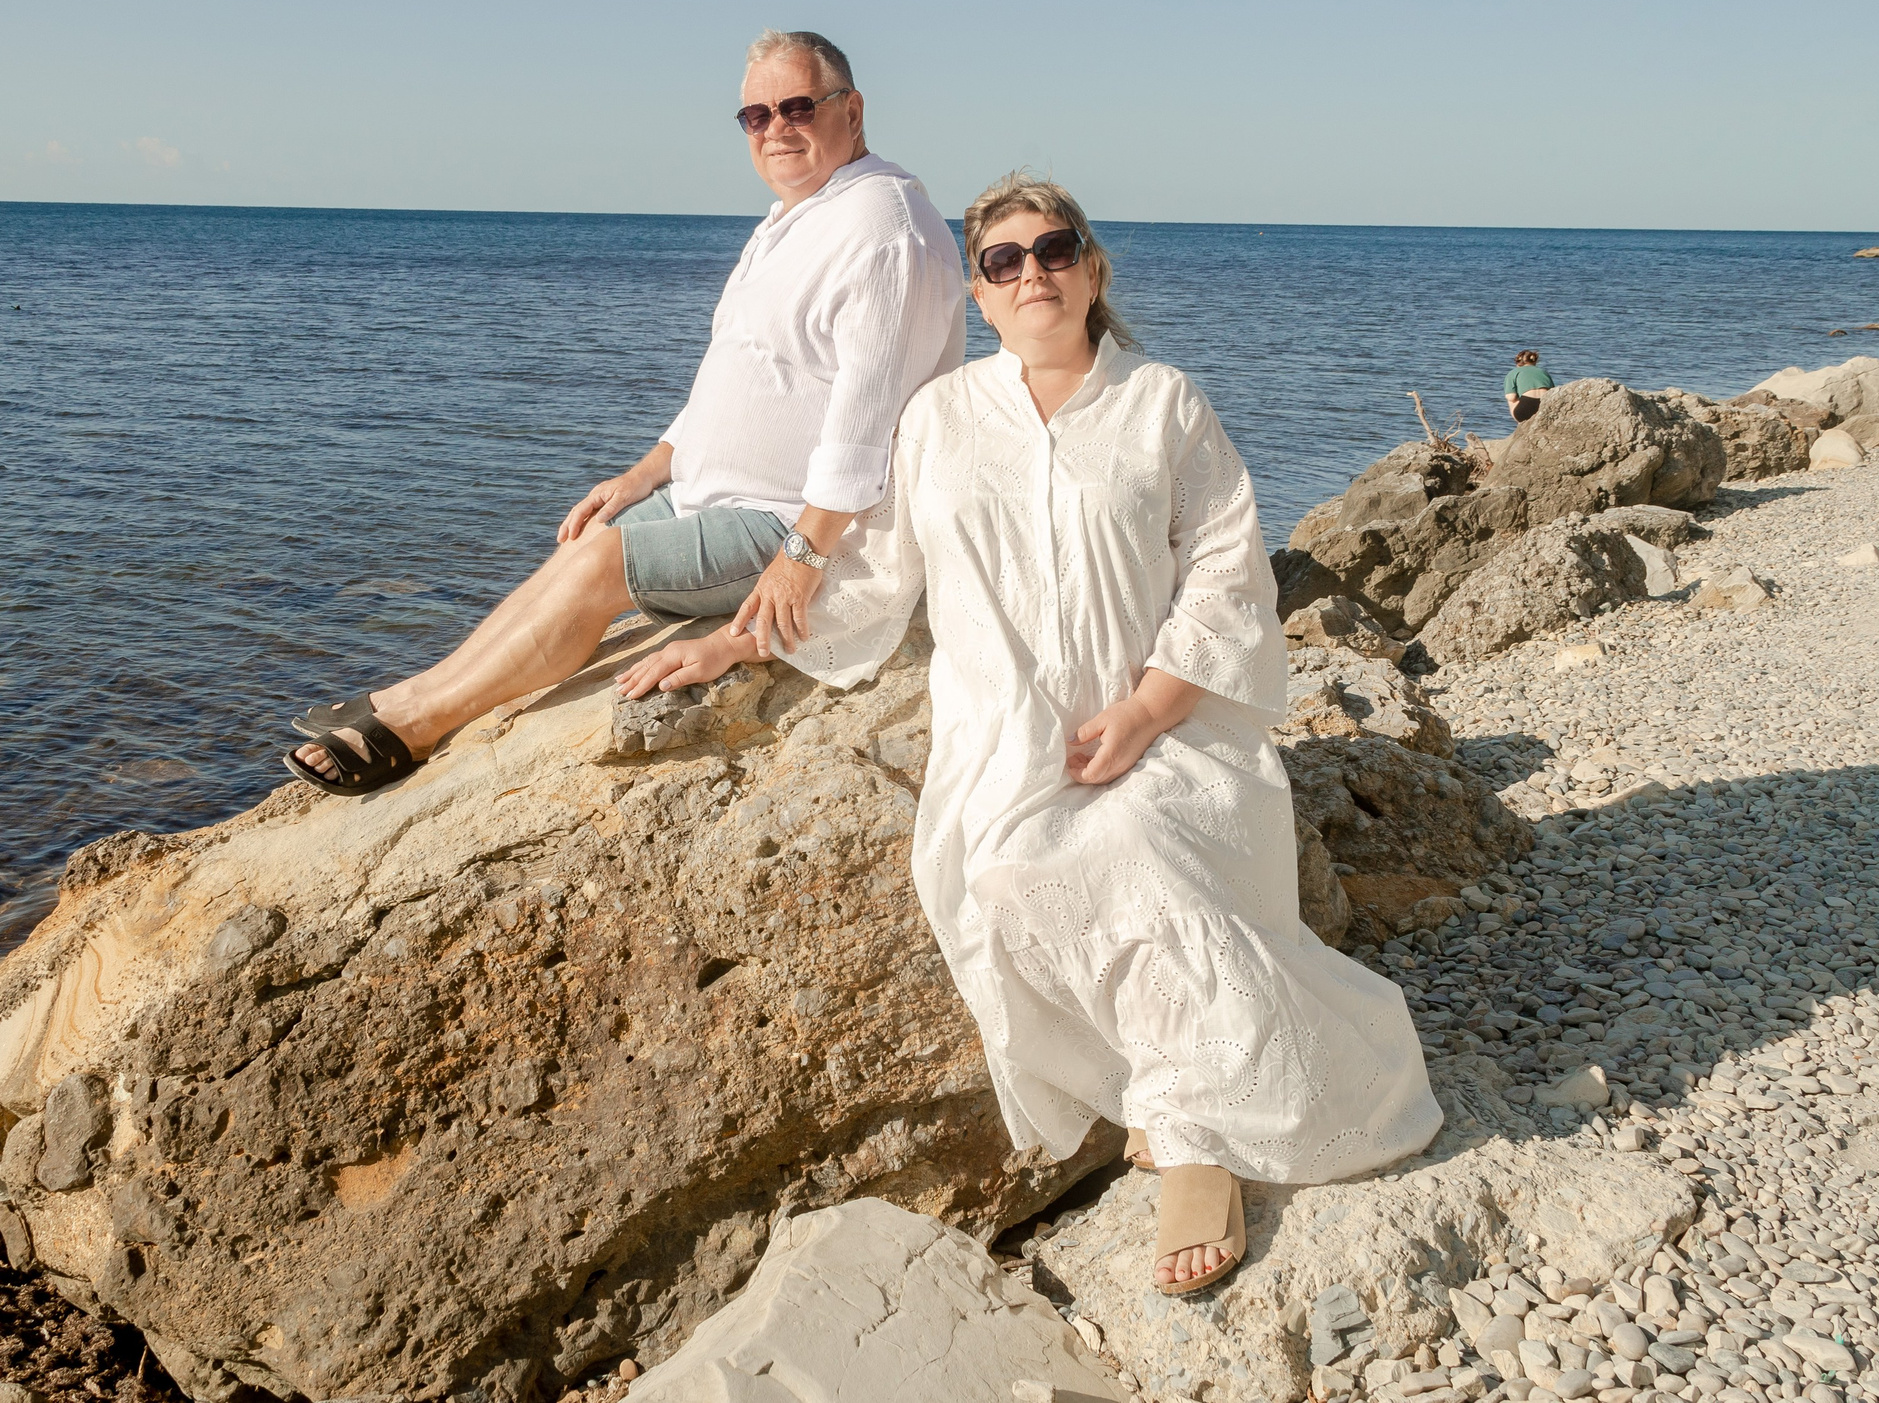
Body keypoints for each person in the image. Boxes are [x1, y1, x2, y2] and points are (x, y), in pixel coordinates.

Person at [616, 172, 1439, 1296]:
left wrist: (1146, 710)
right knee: (1006, 873)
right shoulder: (940, 417)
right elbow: (874, 574)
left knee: (1141, 850)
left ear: (1091, 269)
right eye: (1003, 262)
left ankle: (1191, 1140)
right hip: (1006, 735)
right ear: (979, 295)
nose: (1032, 273)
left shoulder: (1162, 401)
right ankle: (1182, 1094)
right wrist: (733, 642)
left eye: (1053, 250)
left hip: (1171, 722)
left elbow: (1225, 573)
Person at [284, 31, 965, 794]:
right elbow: (738, 376)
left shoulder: (882, 226)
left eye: (798, 107)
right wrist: (643, 474)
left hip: (790, 519)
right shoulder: (796, 217)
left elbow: (864, 428)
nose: (776, 128)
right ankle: (411, 692)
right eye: (756, 115)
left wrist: (801, 561)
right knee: (585, 541)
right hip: (718, 494)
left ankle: (414, 726)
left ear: (853, 111)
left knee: (599, 566)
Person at [1504, 349, 1554, 423]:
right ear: (1535, 361)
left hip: (1525, 409)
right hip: (1545, 406)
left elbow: (1511, 397)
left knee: (1510, 399)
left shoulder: (1513, 372)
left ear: (1517, 362)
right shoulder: (1544, 372)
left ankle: (1521, 425)